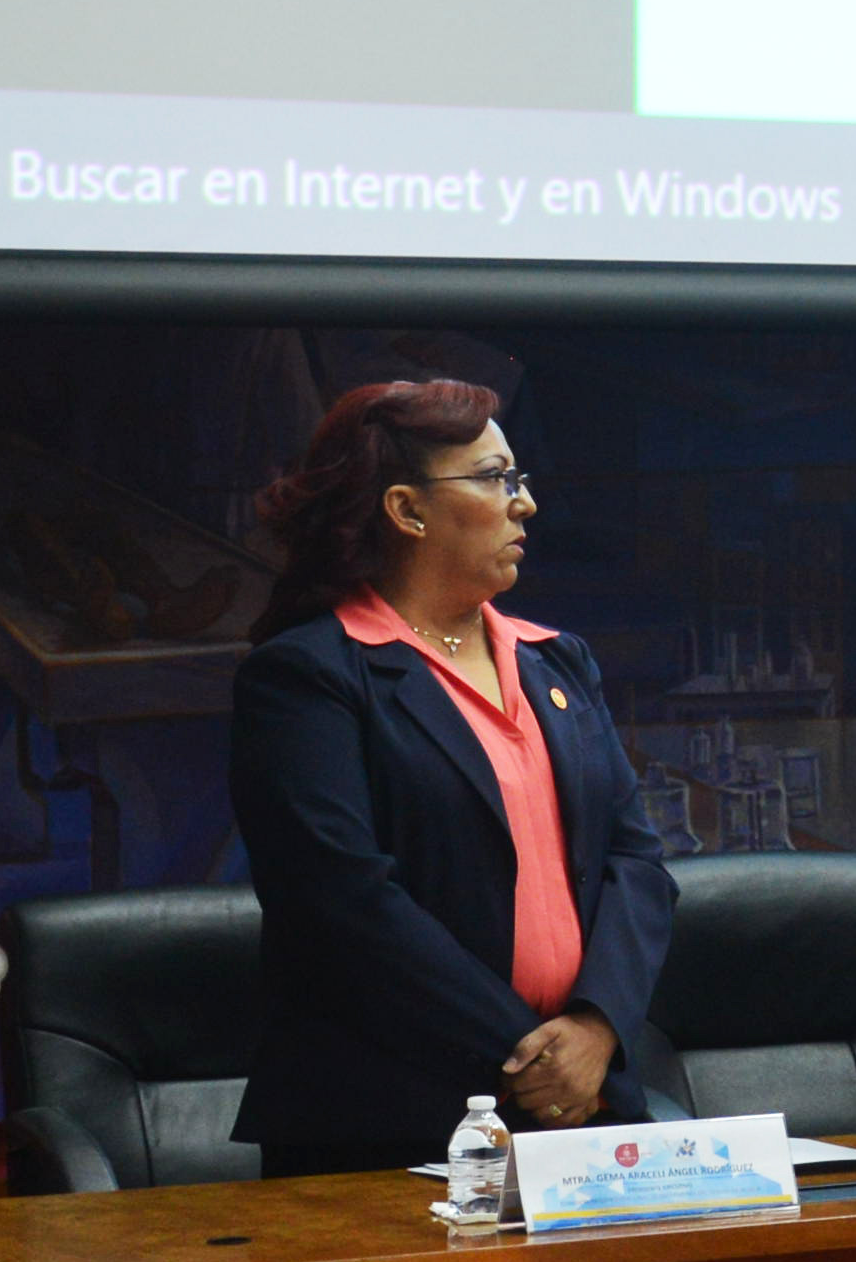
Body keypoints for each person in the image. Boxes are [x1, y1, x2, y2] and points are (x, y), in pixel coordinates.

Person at [225, 378, 681, 1174]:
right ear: (407, 510)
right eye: (496, 478)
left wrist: (596, 1030)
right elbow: (343, 902)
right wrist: (533, 1059)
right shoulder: (310, 676)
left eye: (520, 479)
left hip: (580, 1105)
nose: (525, 504)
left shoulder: (556, 660)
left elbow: (635, 862)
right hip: (389, 1119)